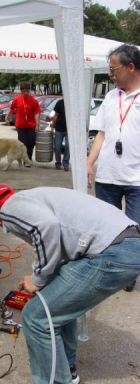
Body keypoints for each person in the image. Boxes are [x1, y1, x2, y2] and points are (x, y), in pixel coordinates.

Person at [0, 184, 140, 384]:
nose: (1, 224)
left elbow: (45, 227)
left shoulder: (10, 208)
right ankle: (68, 373)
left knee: (36, 318)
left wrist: (37, 280)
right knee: (55, 309)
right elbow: (62, 241)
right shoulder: (34, 197)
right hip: (127, 242)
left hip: (112, 252)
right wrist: (46, 279)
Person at [87, 44, 140, 292]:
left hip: (136, 180)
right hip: (107, 176)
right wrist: (89, 163)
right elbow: (101, 134)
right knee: (106, 229)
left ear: (131, 67)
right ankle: (108, 270)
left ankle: (128, 274)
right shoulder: (110, 97)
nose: (110, 73)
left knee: (134, 232)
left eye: (113, 68)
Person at [5, 82, 41, 166]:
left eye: (27, 91)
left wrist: (37, 124)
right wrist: (7, 117)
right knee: (23, 143)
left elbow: (37, 113)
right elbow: (11, 109)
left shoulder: (33, 101)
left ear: (30, 91)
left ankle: (28, 158)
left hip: (31, 125)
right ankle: (25, 160)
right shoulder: (17, 99)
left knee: (31, 142)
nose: (25, 93)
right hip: (20, 125)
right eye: (23, 91)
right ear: (21, 91)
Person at [51, 98, 70, 171]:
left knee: (68, 146)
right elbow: (55, 115)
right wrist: (52, 127)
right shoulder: (60, 102)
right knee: (57, 147)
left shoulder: (73, 104)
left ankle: (66, 163)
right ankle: (58, 162)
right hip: (59, 129)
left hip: (69, 130)